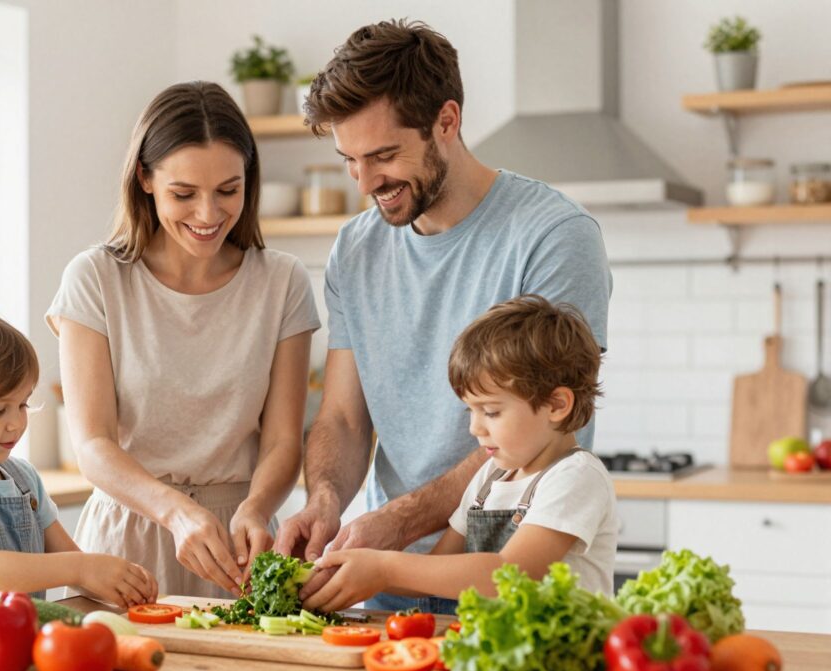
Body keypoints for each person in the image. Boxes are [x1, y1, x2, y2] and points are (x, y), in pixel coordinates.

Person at [274, 19, 612, 613]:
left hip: (507, 587)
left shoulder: (554, 236)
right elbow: (345, 419)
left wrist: (396, 529)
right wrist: (324, 502)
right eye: (349, 159)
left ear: (447, 122)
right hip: (389, 585)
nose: (366, 182)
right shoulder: (355, 250)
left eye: (383, 155)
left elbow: (555, 426)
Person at [46, 81, 319, 599]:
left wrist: (257, 507)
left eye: (228, 190)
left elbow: (284, 439)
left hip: (240, 542)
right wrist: (174, 510)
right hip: (128, 536)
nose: (208, 214)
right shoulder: (95, 278)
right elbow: (94, 444)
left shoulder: (282, 282)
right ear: (145, 179)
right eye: (184, 194)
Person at [302, 296, 618, 612]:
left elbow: (510, 574)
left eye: (491, 412)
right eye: (471, 410)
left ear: (557, 405)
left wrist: (385, 568)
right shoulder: (489, 477)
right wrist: (340, 571)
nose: (474, 428)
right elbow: (437, 569)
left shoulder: (575, 476)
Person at [0, 309, 157, 607]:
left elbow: (75, 568)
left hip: (20, 645)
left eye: (23, 404)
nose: (17, 423)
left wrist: (118, 583)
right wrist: (82, 567)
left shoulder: (24, 479)